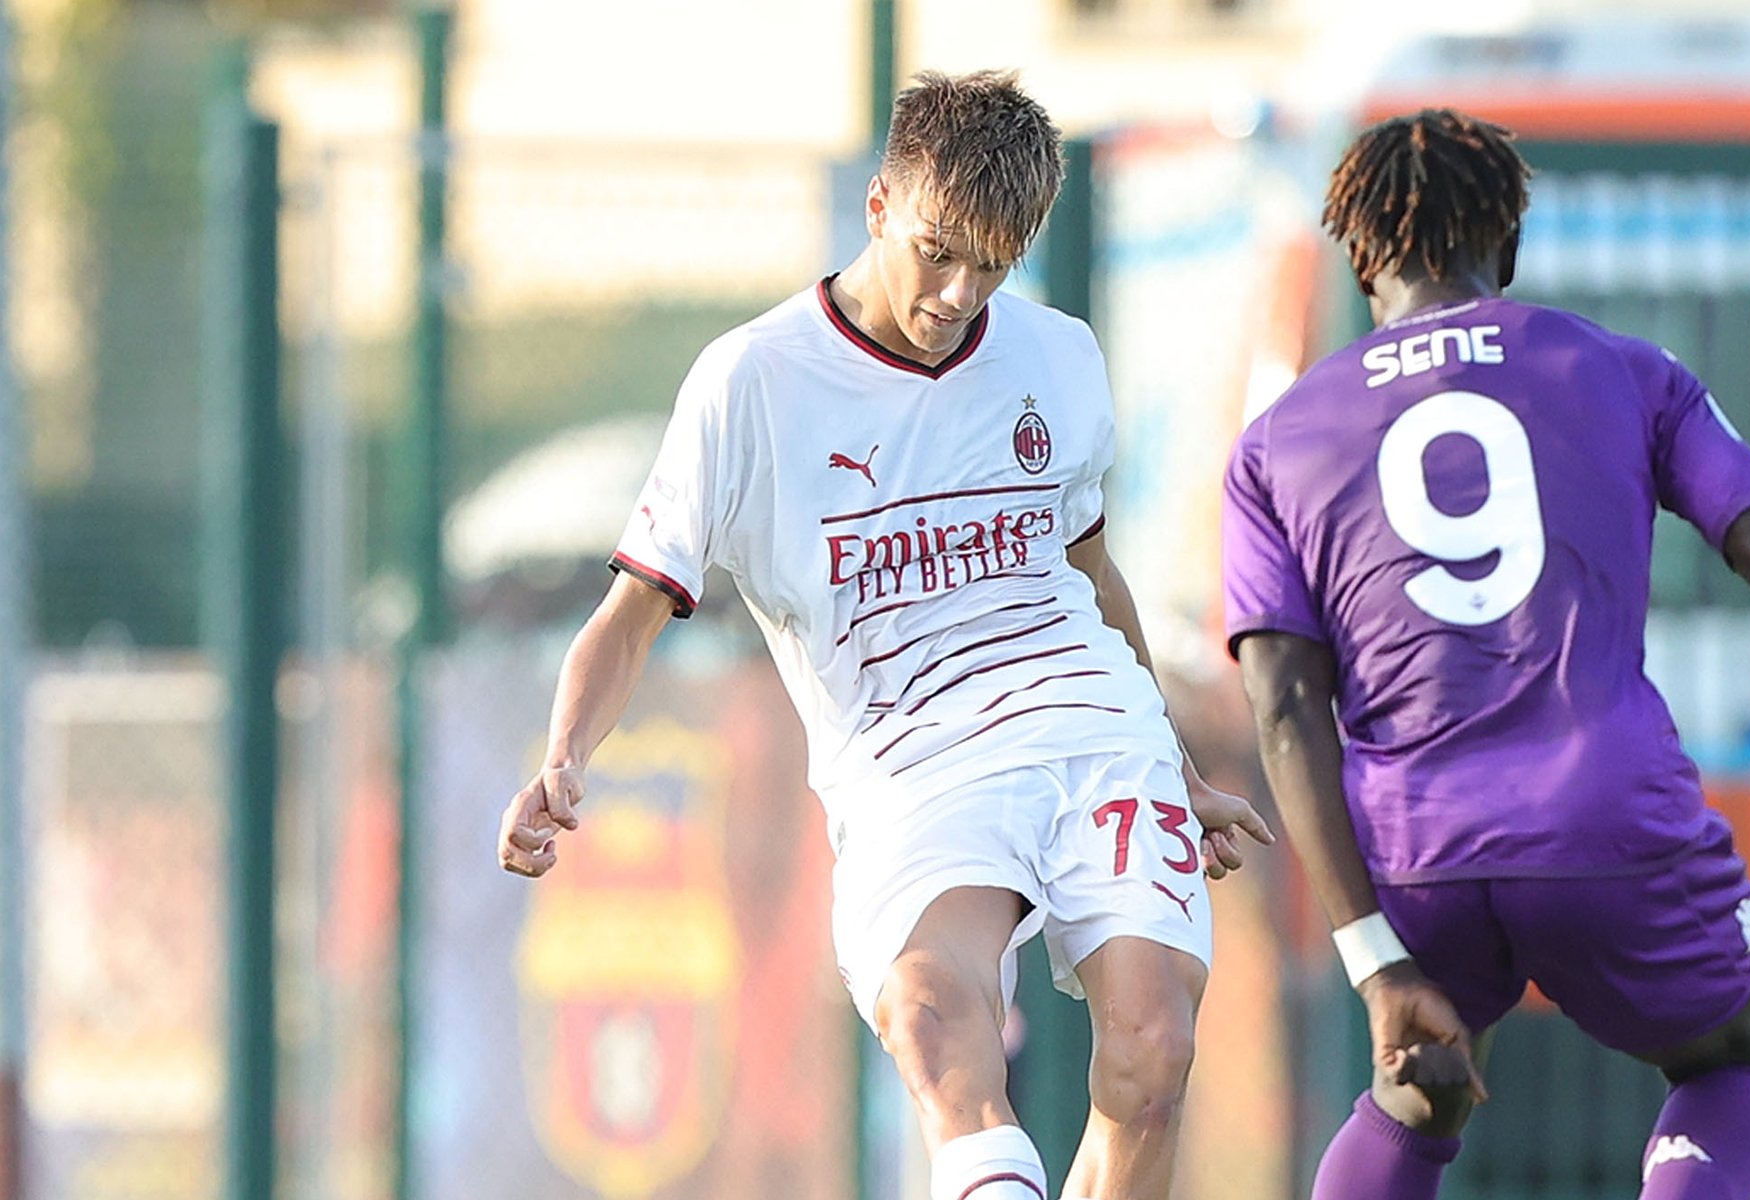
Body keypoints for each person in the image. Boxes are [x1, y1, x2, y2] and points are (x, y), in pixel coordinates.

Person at [497, 69, 1273, 1200]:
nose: (960, 293)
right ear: (877, 204)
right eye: (939, 250)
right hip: (914, 766)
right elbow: (629, 615)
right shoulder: (751, 382)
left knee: (1152, 1056)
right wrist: (561, 758)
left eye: (994, 266)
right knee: (927, 1018)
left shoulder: (1056, 358)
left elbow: (1089, 571)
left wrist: (1181, 763)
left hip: (1099, 734)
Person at [1221, 109, 1750, 1200]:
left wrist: (1374, 959)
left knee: (1419, 1085)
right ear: (1511, 247)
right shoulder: (1620, 370)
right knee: (1734, 1050)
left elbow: (1286, 708)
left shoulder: (1274, 442)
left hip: (1412, 845)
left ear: (1358, 254)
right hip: (1605, 814)